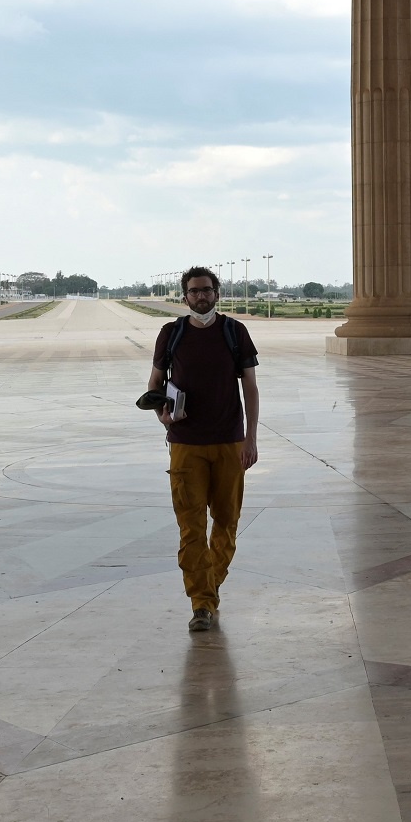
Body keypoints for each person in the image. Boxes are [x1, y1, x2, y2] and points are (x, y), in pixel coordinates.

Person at [146, 266, 259, 632]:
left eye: (207, 290)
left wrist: (251, 438)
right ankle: (202, 604)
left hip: (229, 441)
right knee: (191, 528)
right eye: (194, 291)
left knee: (226, 523)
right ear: (185, 297)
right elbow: (155, 385)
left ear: (217, 294)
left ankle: (208, 587)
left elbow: (251, 388)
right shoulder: (171, 334)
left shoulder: (234, 332)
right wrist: (162, 413)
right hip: (186, 444)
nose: (201, 296)